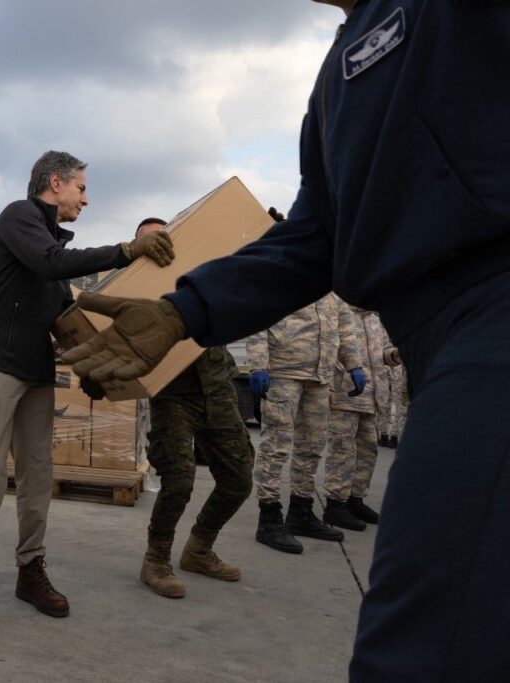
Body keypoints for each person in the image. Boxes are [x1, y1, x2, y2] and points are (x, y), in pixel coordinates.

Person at [63, 1, 510, 678]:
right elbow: (312, 238)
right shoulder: (336, 79)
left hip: (493, 314)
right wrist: (183, 312)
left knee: (419, 643)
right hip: (434, 342)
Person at [0, 151, 174, 633]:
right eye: (82, 189)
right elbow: (50, 264)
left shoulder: (49, 242)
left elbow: (64, 316)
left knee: (38, 474)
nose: (86, 200)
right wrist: (125, 250)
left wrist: (103, 364)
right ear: (55, 182)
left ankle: (31, 569)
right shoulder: (20, 217)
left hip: (33, 367)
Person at [127, 218, 256, 598]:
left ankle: (199, 548)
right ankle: (156, 559)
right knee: (179, 478)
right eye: (146, 241)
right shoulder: (135, 291)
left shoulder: (200, 275)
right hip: (172, 394)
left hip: (216, 387)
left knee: (239, 478)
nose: (157, 246)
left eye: (162, 238)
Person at [246, 294, 364, 554]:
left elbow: (345, 327)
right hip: (283, 373)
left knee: (311, 448)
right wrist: (258, 366)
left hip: (321, 376)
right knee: (275, 447)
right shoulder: (284, 273)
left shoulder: (333, 288)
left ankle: (300, 512)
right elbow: (257, 316)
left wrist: (354, 364)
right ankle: (269, 518)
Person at [322, 303, 399, 530]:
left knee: (367, 451)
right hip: (346, 394)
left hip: (372, 397)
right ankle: (335, 504)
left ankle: (355, 500)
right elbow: (327, 349)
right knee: (342, 451)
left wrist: (394, 354)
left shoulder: (375, 318)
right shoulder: (340, 312)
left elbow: (384, 352)